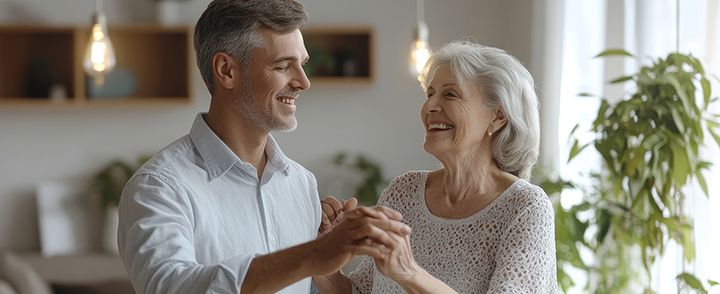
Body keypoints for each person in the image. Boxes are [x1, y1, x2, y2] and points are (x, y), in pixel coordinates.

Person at [116, 1, 411, 293]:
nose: (303, 82)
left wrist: (326, 257)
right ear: (226, 70)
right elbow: (171, 287)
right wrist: (311, 255)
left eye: (302, 65)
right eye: (283, 66)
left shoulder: (301, 183)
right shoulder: (158, 187)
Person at [315, 41, 558, 293]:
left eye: (450, 94)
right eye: (430, 94)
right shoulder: (404, 191)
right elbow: (361, 291)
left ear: (497, 116)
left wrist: (409, 272)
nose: (430, 106)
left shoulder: (525, 207)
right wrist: (321, 250)